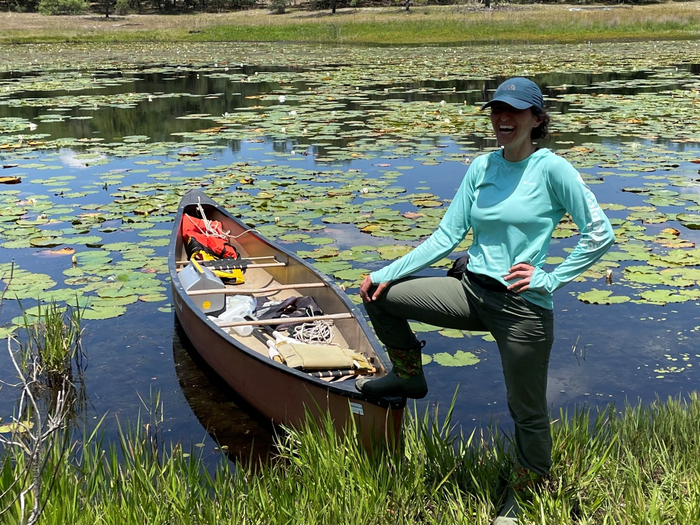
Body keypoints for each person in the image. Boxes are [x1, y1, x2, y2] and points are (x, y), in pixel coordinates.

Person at [356, 77, 615, 524]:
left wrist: (551, 279)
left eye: (514, 110)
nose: (503, 118)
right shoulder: (481, 166)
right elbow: (447, 236)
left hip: (522, 310)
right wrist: (385, 271)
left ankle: (526, 490)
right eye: (497, 109)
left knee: (527, 411)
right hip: (470, 292)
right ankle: (408, 377)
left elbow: (600, 233)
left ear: (537, 119)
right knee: (381, 297)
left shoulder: (552, 169)